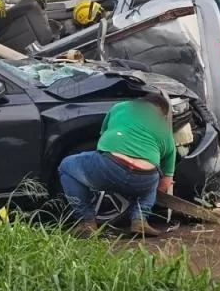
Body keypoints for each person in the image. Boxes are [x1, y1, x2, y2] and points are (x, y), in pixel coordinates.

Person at [58, 92, 175, 237]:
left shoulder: (121, 107)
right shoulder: (163, 128)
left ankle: (86, 222)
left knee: (67, 166)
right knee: (154, 180)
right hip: (145, 177)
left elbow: (103, 135)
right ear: (162, 115)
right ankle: (140, 220)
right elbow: (165, 185)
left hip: (110, 166)